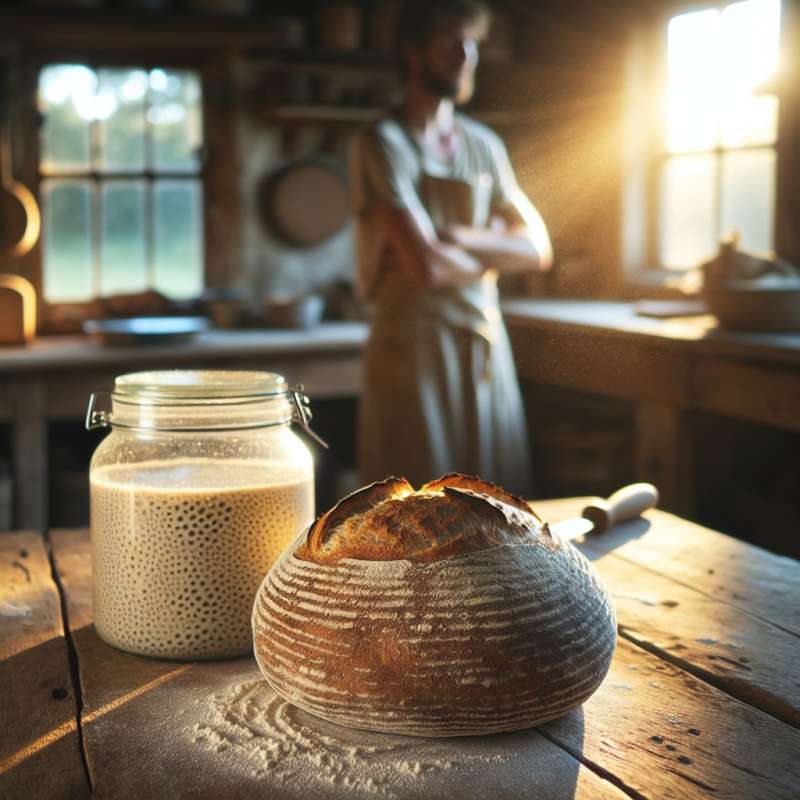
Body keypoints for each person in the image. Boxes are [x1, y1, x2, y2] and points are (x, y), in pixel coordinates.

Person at [349, 0, 553, 497]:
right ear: (413, 52)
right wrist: (492, 254)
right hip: (414, 346)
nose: (464, 55)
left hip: (482, 340)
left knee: (493, 500)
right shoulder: (383, 142)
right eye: (449, 41)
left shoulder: (484, 145)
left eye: (472, 44)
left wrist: (457, 236)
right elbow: (425, 269)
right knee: (413, 497)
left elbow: (537, 249)